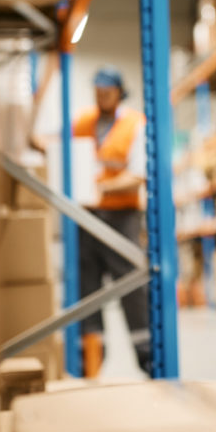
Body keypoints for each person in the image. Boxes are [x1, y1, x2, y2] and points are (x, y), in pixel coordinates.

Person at [72, 66, 151, 376]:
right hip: (86, 217)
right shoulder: (81, 121)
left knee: (132, 287)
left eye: (107, 89)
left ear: (119, 91)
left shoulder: (134, 124)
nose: (101, 94)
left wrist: (97, 187)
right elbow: (54, 148)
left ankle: (147, 357)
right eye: (97, 89)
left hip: (122, 218)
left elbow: (137, 175)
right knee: (87, 288)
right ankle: (89, 360)